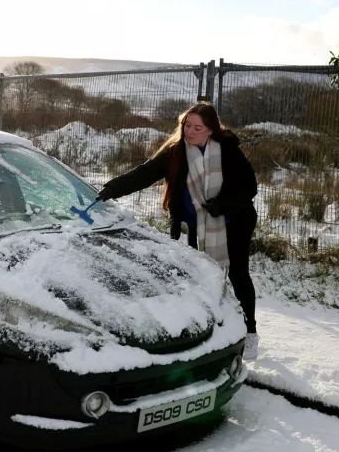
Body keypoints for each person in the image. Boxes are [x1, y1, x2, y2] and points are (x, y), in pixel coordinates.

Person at [96, 102, 260, 360]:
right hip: (199, 224)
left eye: (198, 127)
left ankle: (250, 331)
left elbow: (249, 186)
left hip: (234, 222)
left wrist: (222, 204)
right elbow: (146, 172)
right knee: (204, 276)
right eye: (187, 125)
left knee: (238, 275)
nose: (190, 131)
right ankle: (212, 326)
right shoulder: (176, 151)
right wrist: (113, 188)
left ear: (211, 130)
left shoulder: (227, 149)